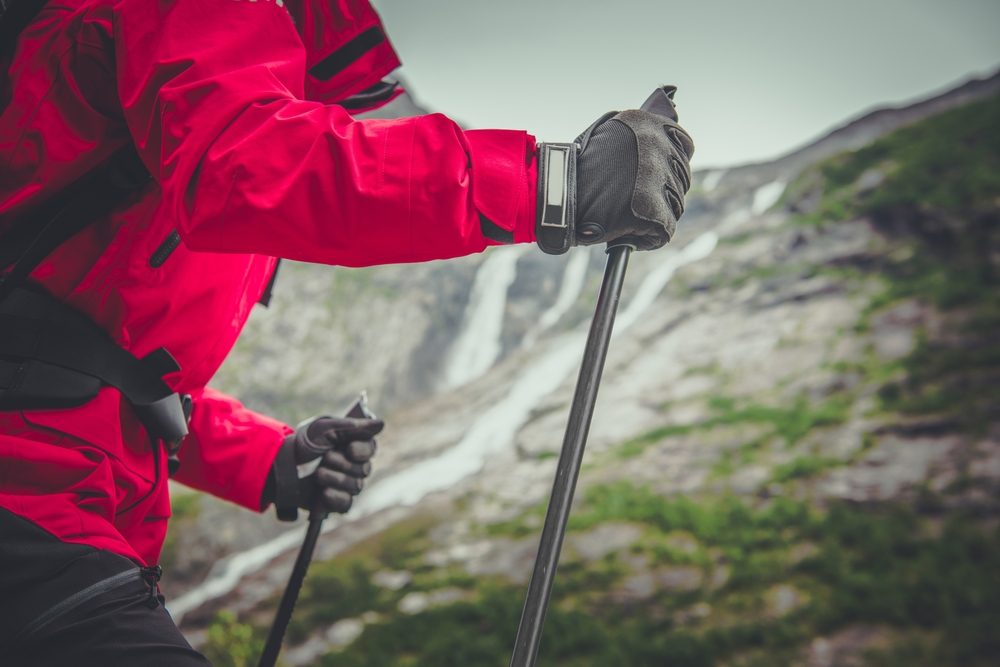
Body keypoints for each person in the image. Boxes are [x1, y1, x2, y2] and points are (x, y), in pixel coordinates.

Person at [0, 0, 695, 663]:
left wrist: (268, 458)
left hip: (61, 498)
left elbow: (80, 359)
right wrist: (551, 184)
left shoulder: (240, 56)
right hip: (35, 500)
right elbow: (255, 170)